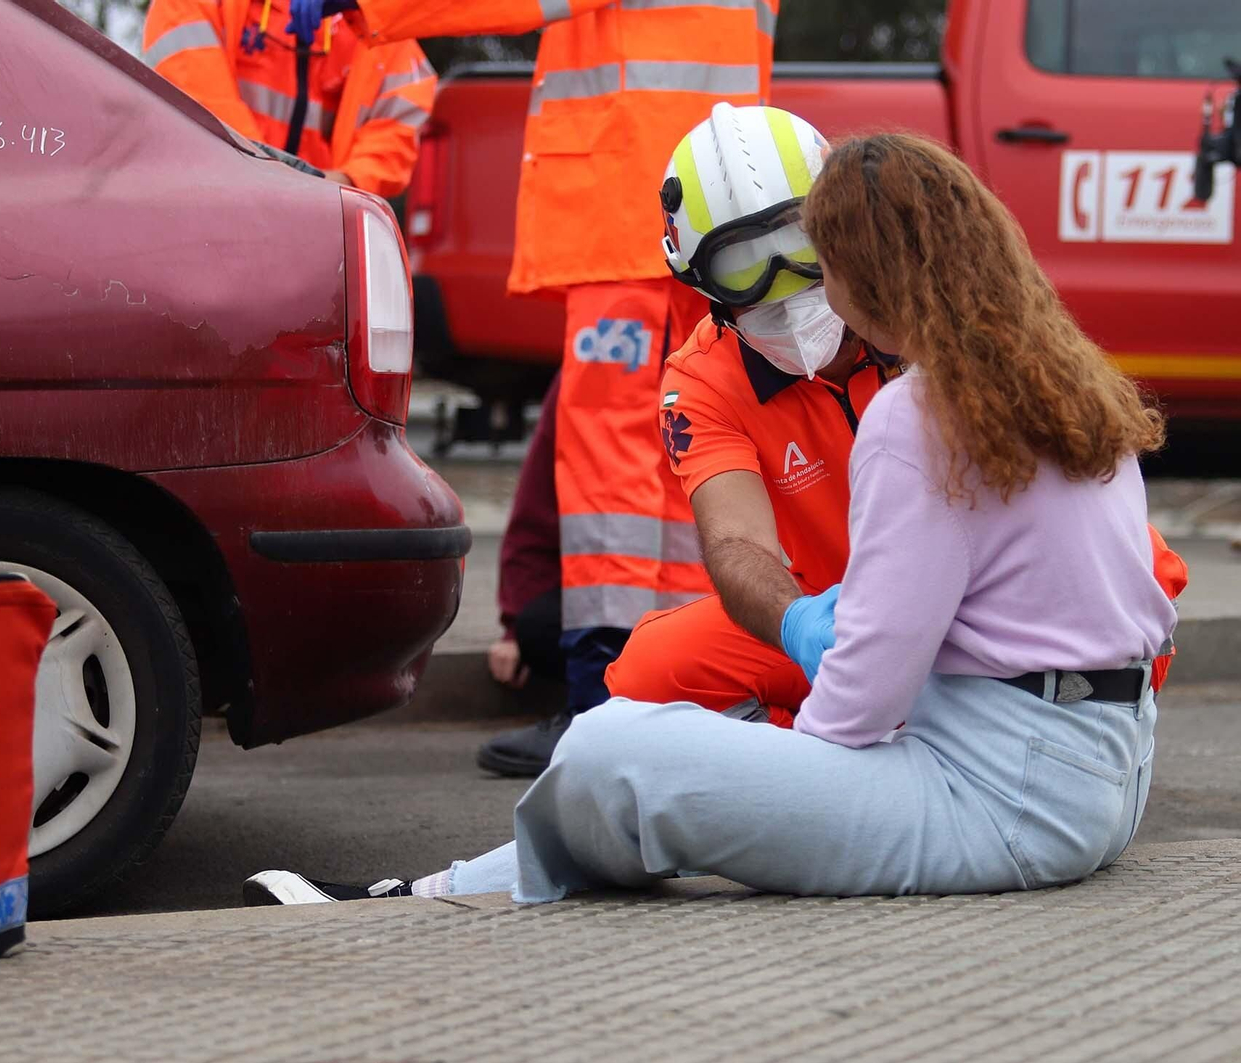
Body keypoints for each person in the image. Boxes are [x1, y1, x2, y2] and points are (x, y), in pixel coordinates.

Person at [243, 131, 1180, 905]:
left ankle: (432, 895)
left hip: (1005, 785)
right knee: (650, 682)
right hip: (1104, 766)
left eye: (811, 252)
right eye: (745, 263)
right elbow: (757, 558)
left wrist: (772, 792)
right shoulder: (1059, 370)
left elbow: (862, 706)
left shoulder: (913, 413)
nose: (791, 285)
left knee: (615, 752)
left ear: (862, 266)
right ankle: (433, 888)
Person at [295, 0, 779, 776]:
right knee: (682, 454)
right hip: (708, 205)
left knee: (607, 463)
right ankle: (691, 697)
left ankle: (605, 708)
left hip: (628, 194)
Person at [142, 0, 436, 198]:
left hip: (316, 237)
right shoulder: (189, 5)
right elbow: (198, 101)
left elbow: (402, 109)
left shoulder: (364, 18)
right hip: (209, 208)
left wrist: (345, 184)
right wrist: (278, 184)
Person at [486, 373, 567, 704]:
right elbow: (536, 515)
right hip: (618, 607)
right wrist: (516, 627)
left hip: (709, 607)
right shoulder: (588, 372)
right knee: (540, 628)